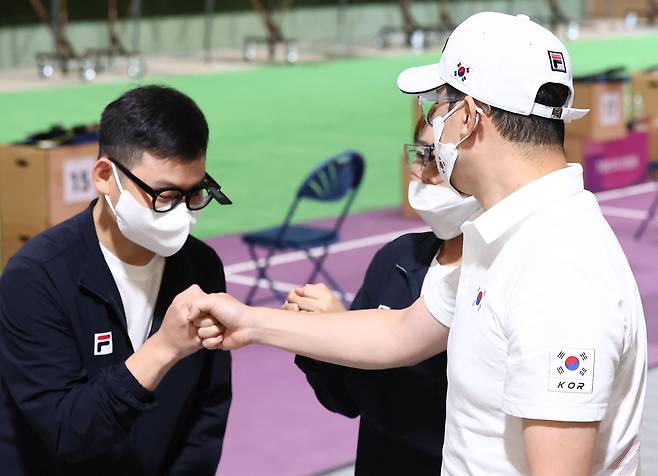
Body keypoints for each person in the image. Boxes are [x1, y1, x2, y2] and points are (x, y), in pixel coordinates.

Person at [190, 12, 647, 476]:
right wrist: (250, 322)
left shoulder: (559, 270)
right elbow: (400, 333)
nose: (433, 122)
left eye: (440, 105)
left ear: (469, 117)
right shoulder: (501, 235)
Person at [0, 85, 233, 476]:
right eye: (165, 195)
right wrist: (163, 349)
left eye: (195, 194)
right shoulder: (36, 278)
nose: (182, 214)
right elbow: (67, 432)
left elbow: (208, 412)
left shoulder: (201, 267)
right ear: (106, 176)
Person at [286, 110, 479, 475]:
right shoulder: (398, 257)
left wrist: (342, 332)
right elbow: (343, 398)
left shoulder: (496, 274)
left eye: (440, 159)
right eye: (421, 155)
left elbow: (437, 422)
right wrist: (317, 340)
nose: (426, 173)